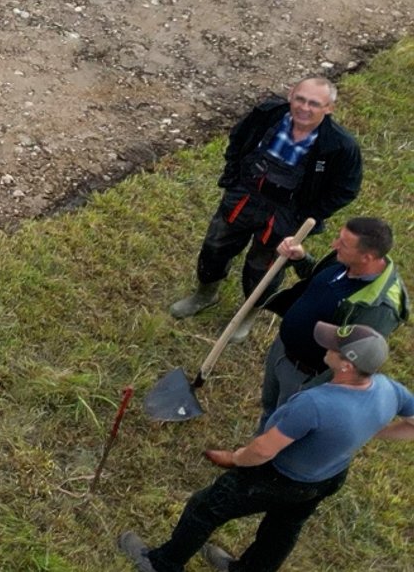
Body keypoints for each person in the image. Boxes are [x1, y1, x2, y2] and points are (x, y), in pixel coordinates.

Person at [118, 323, 414, 572]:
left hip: (278, 478)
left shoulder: (314, 404)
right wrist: (370, 430)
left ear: (347, 365)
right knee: (283, 530)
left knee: (205, 508)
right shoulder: (389, 388)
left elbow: (262, 450)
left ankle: (162, 564)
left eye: (335, 346)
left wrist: (236, 458)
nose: (328, 345)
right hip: (329, 478)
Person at [168, 77, 362, 338]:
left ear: (329, 108)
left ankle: (248, 313)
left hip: (286, 212)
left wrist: (309, 215)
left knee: (264, 268)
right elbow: (238, 138)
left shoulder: (339, 146)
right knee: (215, 247)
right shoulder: (268, 113)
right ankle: (205, 295)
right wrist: (232, 175)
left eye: (314, 104)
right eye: (300, 99)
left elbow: (345, 189)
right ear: (291, 95)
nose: (304, 108)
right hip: (246, 194)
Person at [256, 218, 406, 424]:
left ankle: (264, 454)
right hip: (282, 349)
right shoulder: (345, 260)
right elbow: (321, 279)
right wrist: (301, 259)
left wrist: (308, 394)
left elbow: (354, 361)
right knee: (269, 408)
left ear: (367, 257)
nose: (334, 245)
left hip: (305, 376)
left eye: (343, 244)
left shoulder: (379, 309)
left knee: (282, 422)